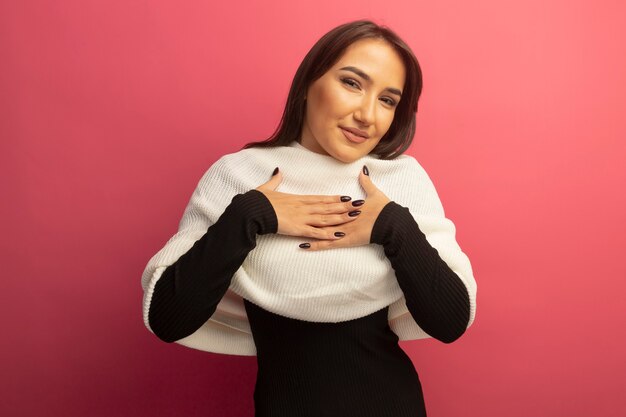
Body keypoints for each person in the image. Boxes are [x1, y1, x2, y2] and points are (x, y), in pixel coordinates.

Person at [141, 19, 477, 417]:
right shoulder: (240, 174)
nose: (368, 115)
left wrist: (392, 226)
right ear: (308, 84)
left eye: (388, 100)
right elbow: (167, 317)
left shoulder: (401, 180)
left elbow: (450, 321)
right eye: (352, 83)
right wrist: (253, 214)